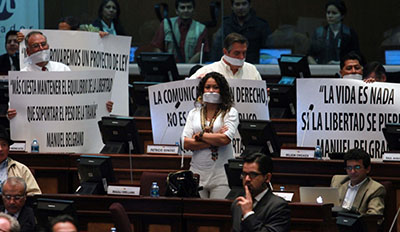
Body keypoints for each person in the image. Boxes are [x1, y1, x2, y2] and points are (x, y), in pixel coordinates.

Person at [7, 31, 113, 119]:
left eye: (43, 44)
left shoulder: (63, 69)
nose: (41, 48)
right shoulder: (22, 75)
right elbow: (13, 108)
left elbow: (78, 98)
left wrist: (102, 106)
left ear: (48, 46)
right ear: (28, 51)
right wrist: (10, 114)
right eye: (35, 46)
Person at [182, 72, 239, 199]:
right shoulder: (194, 113)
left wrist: (200, 135)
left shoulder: (230, 112)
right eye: (207, 87)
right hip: (197, 173)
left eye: (215, 87)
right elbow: (186, 143)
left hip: (221, 175)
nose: (211, 91)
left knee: (216, 214)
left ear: (222, 90)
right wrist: (215, 137)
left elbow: (225, 139)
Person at [232, 153, 290, 231]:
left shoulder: (278, 207)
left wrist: (248, 214)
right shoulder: (238, 203)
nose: (247, 179)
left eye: (253, 174)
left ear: (267, 177)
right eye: (244, 174)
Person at [331, 148, 385, 215]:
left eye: (357, 167)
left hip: (356, 224)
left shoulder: (375, 189)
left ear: (367, 169)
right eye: (349, 168)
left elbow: (374, 216)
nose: (352, 171)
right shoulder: (337, 181)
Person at [189, 32, 262, 80]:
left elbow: (263, 99)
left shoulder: (252, 71)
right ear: (225, 52)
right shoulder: (208, 71)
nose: (242, 57)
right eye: (237, 53)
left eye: (244, 53)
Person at [308, 0, 360, 64]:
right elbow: (310, 55)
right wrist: (316, 67)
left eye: (334, 13)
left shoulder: (350, 33)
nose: (330, 16)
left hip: (343, 70)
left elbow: (356, 57)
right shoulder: (319, 32)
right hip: (321, 71)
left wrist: (339, 63)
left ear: (342, 15)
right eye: (328, 12)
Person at [0, 126, 41, 195]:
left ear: (8, 148)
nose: (0, 149)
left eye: (4, 145)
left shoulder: (21, 169)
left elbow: (35, 194)